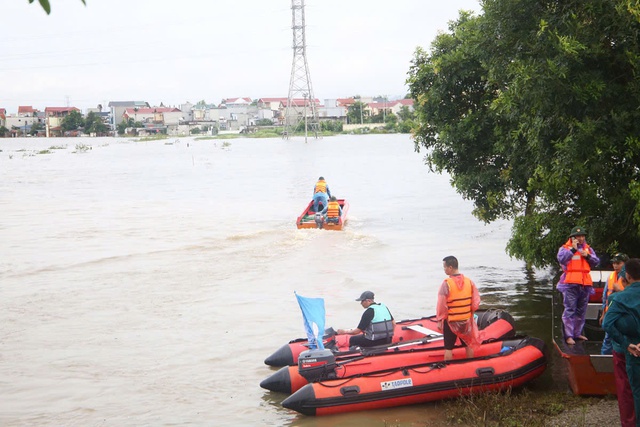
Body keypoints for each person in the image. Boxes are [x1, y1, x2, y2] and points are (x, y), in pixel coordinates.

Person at [602, 258, 640, 427]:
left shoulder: (617, 298)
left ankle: (629, 423)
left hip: (626, 349)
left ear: (627, 277)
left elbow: (606, 323)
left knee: (627, 390)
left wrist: (625, 343)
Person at [556, 226, 600, 345]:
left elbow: (596, 261)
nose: (581, 238)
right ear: (572, 238)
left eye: (582, 236)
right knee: (570, 309)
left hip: (585, 284)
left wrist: (587, 256)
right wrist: (573, 250)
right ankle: (569, 335)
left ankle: (577, 333)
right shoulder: (565, 249)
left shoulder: (588, 249)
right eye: (578, 236)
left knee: (581, 310)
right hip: (570, 284)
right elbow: (561, 260)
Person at [436, 255, 481, 361]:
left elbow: (441, 304)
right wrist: (470, 314)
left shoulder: (446, 284)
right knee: (468, 345)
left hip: (451, 321)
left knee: (448, 348)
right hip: (465, 320)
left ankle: (448, 369)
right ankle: (470, 364)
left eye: (445, 267)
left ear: (450, 267)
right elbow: (475, 301)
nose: (444, 269)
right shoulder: (469, 282)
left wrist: (440, 319)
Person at [600, 252, 629, 355]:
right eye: (614, 263)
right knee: (608, 338)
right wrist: (603, 314)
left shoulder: (630, 277)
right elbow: (605, 297)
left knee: (623, 338)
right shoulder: (611, 277)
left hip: (624, 314)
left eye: (618, 263)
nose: (615, 266)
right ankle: (604, 359)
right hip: (611, 313)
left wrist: (620, 291)